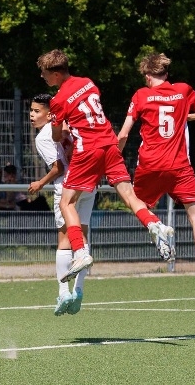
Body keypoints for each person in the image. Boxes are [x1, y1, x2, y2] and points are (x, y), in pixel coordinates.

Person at [37, 49, 175, 283]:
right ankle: (155, 224)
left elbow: (57, 136)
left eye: (44, 73)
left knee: (66, 202)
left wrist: (59, 126)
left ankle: (80, 252)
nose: (43, 77)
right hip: (110, 145)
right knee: (129, 195)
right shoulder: (88, 82)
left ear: (56, 74)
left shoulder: (57, 100)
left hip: (88, 150)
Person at [117, 52, 195, 296]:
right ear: (166, 74)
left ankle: (157, 227)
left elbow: (124, 133)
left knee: (134, 201)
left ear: (148, 76)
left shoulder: (141, 95)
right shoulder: (183, 90)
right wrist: (185, 115)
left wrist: (113, 158)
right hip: (179, 166)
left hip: (150, 165)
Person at [28, 94, 96, 315]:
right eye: (31, 110)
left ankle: (64, 291)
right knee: (82, 236)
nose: (31, 115)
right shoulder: (69, 124)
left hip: (67, 187)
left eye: (37, 111)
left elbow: (58, 167)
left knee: (64, 239)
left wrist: (40, 182)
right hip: (88, 182)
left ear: (50, 115)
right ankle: (79, 290)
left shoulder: (43, 136)